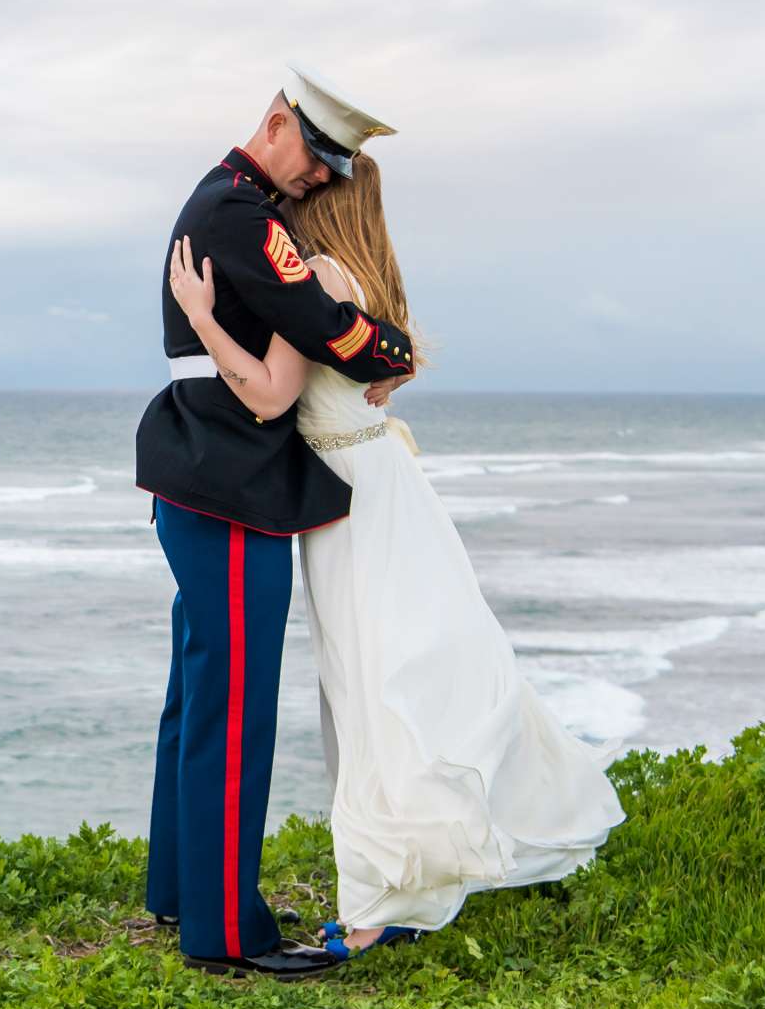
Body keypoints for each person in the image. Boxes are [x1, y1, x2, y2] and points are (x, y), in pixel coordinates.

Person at [166, 150, 626, 961]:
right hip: (379, 485)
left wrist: (202, 319)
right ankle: (410, 866)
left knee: (374, 689)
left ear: (327, 208)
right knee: (401, 678)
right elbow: (385, 358)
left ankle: (390, 891)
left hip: (354, 505)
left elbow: (274, 392)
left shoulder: (318, 279)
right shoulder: (361, 285)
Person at [132, 65, 417, 980]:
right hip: (231, 480)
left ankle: (182, 890)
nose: (328, 176)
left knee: (198, 691)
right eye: (323, 153)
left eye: (341, 164)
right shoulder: (240, 216)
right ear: (276, 124)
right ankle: (225, 931)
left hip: (207, 472)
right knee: (235, 703)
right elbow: (327, 324)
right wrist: (399, 351)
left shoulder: (229, 204)